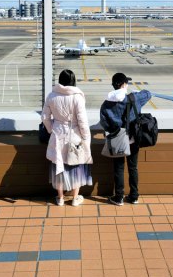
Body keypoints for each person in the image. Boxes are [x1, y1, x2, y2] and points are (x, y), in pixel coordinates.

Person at [100, 72, 152, 206]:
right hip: (133, 137)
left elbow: (104, 122)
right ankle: (134, 196)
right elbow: (148, 93)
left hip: (117, 139)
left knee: (118, 167)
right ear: (124, 84)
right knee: (133, 167)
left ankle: (119, 197)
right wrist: (136, 91)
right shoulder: (134, 97)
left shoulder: (106, 103)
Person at [42, 69, 92, 206]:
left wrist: (52, 129)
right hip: (74, 135)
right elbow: (82, 121)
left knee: (58, 164)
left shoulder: (52, 95)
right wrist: (86, 138)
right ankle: (75, 198)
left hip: (57, 134)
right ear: (73, 81)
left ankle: (60, 198)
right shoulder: (77, 97)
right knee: (76, 164)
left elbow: (45, 117)